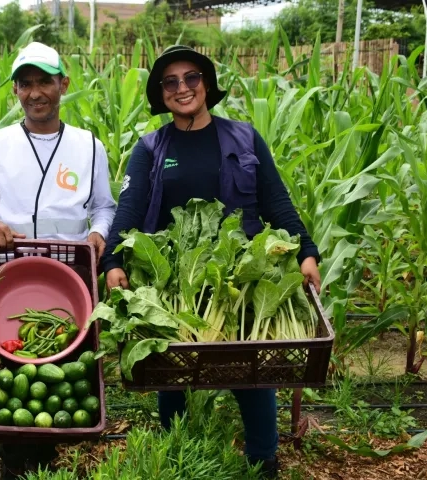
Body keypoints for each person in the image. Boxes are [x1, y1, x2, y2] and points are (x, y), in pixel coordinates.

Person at [100, 45, 323, 479]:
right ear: (160, 93)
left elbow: (276, 201)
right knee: (172, 368)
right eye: (170, 81)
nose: (182, 88)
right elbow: (128, 209)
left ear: (207, 83)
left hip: (242, 275)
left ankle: (264, 462)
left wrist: (308, 251)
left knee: (252, 373)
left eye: (192, 77)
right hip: (175, 278)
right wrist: (112, 260)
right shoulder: (150, 148)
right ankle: (175, 457)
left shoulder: (244, 136)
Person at [0, 42, 116, 479]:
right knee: (6, 369)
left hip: (69, 277)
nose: (35, 92)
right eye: (25, 84)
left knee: (60, 371)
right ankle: (13, 462)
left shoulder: (88, 146)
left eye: (44, 81)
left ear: (63, 83)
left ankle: (46, 462)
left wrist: (100, 232)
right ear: (16, 92)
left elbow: (105, 205)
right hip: (8, 274)